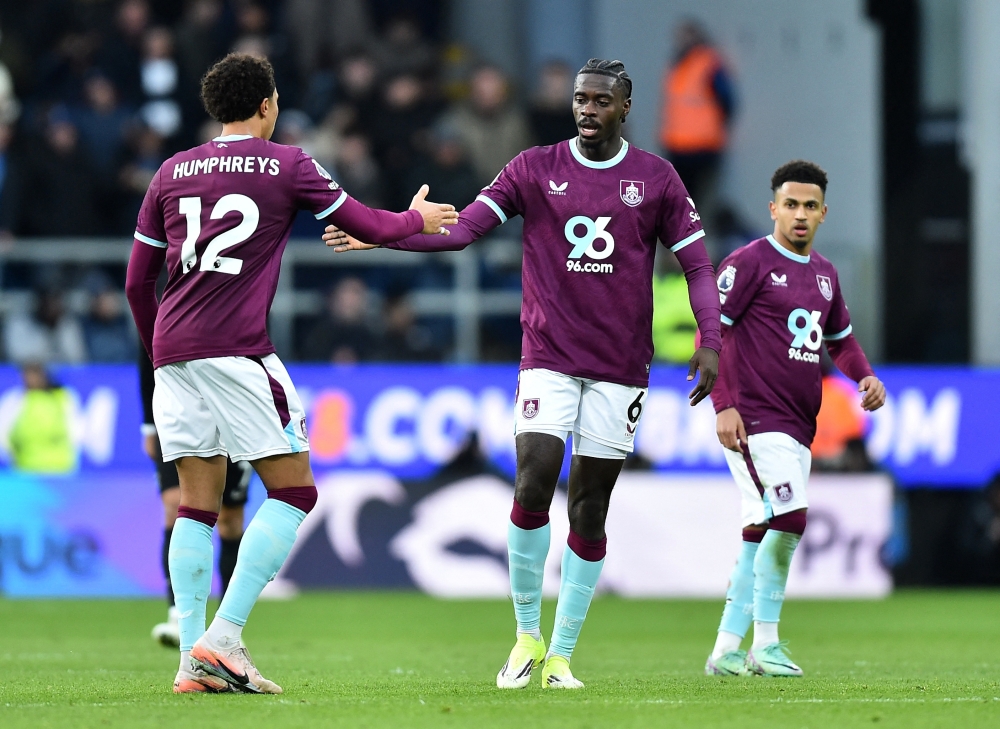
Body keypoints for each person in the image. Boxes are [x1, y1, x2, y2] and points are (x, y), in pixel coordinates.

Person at [324, 59, 722, 689]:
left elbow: (698, 266)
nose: (586, 110)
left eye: (600, 101)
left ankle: (563, 653)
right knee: (533, 482)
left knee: (590, 507)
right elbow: (463, 233)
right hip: (549, 357)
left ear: (625, 107)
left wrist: (710, 337)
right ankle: (526, 637)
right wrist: (385, 235)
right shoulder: (534, 167)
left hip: (620, 368)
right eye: (579, 99)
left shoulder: (657, 179)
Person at [124, 52, 456, 695]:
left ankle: (191, 660)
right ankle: (223, 639)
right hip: (238, 350)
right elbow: (362, 224)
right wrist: (422, 220)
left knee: (195, 502)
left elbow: (139, 280)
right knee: (295, 490)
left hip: (173, 353)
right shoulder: (287, 164)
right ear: (268, 105)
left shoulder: (171, 171)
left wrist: (160, 346)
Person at [705, 160, 886, 677]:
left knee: (761, 528)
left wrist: (865, 376)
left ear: (823, 213)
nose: (800, 215)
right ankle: (766, 643)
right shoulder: (749, 263)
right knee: (790, 517)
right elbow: (709, 333)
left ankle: (724, 651)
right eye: (791, 205)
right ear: (773, 208)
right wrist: (723, 404)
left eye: (810, 206)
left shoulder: (825, 275)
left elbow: (840, 339)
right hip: (754, 419)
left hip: (797, 423)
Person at [140, 349, 254, 648]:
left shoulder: (234, 301)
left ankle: (226, 625)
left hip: (232, 411)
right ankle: (179, 615)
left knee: (230, 520)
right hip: (177, 409)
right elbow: (147, 348)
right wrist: (149, 425)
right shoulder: (167, 302)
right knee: (176, 504)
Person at [659, 20, 735, 224]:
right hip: (677, 145)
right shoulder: (677, 64)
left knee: (699, 203)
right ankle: (678, 249)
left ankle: (697, 248)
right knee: (678, 201)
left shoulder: (709, 63)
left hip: (703, 147)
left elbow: (728, 101)